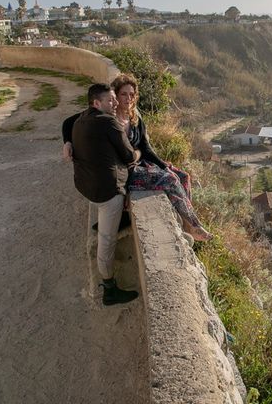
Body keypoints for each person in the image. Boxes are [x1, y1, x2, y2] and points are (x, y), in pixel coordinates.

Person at [62, 74, 212, 242]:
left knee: (184, 177)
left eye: (132, 94)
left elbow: (146, 148)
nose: (128, 98)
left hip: (141, 163)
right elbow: (68, 122)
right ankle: (195, 225)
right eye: (124, 94)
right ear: (115, 96)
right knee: (170, 180)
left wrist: (163, 164)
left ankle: (186, 226)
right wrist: (67, 142)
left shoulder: (134, 118)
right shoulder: (105, 116)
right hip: (124, 170)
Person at [71, 83, 141, 306]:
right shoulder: (109, 121)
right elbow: (129, 155)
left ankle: (108, 222)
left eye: (114, 99)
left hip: (87, 188)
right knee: (107, 242)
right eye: (110, 100)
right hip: (108, 192)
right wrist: (138, 153)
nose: (115, 103)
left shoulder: (81, 119)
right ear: (96, 103)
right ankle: (109, 288)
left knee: (111, 223)